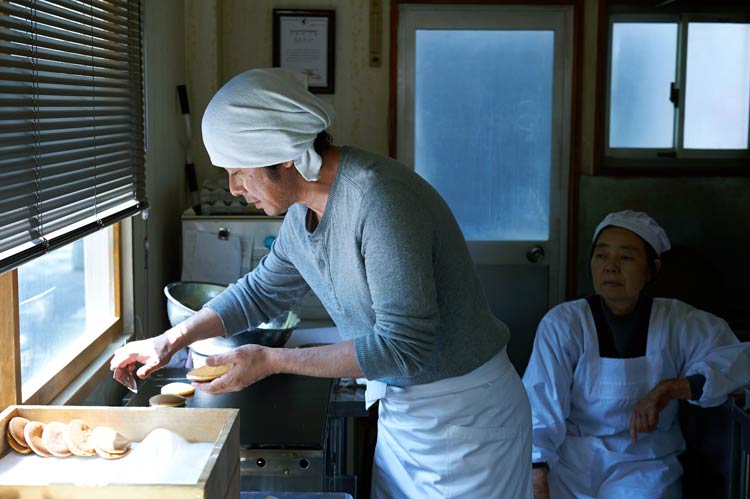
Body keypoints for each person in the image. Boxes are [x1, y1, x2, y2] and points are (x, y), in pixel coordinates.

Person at [111, 68, 532, 498]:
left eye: (239, 170)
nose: (234, 188)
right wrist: (171, 339)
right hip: (406, 415)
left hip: (467, 420)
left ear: (285, 154)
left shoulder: (379, 200)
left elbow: (403, 346)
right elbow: (260, 291)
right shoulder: (301, 212)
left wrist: (271, 361)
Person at [523, 210, 750, 499]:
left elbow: (740, 360)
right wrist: (538, 475)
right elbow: (540, 407)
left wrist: (673, 387)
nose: (610, 267)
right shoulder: (564, 323)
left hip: (645, 463)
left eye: (626, 257)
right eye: (601, 256)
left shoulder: (678, 322)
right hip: (571, 463)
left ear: (652, 269)